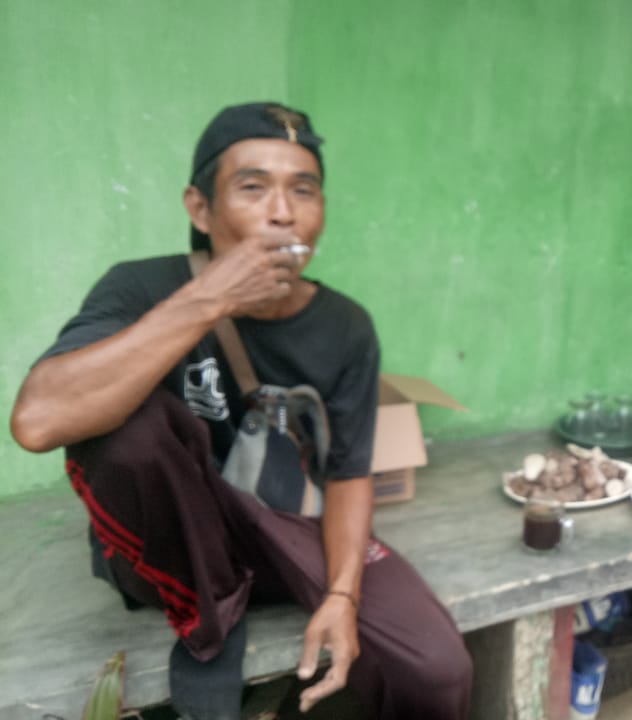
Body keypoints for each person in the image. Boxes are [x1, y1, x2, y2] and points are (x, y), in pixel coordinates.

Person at [9, 102, 472, 719]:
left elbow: (348, 473)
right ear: (200, 209)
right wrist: (208, 299)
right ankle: (208, 608)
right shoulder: (139, 286)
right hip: (169, 549)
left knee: (436, 668)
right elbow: (38, 421)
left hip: (281, 531)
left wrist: (341, 595)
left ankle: (239, 595)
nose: (282, 212)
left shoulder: (346, 326)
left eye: (303, 190)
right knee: (122, 423)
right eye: (253, 188)